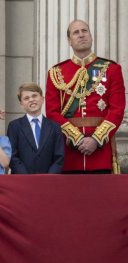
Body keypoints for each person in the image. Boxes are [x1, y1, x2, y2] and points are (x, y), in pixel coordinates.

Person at [45, 19, 126, 174]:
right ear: (69, 41)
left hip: (100, 154)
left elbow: (117, 110)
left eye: (85, 31)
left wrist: (96, 139)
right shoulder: (56, 73)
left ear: (91, 36)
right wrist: (77, 139)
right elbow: (52, 112)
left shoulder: (111, 69)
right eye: (76, 32)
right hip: (69, 154)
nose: (81, 35)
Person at [7, 82, 64, 174]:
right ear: (21, 104)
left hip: (48, 181)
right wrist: (28, 178)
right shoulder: (14, 126)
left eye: (34, 96)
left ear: (42, 99)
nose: (31, 100)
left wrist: (49, 178)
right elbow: (12, 156)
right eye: (26, 98)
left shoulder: (55, 127)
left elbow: (59, 157)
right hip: (23, 181)